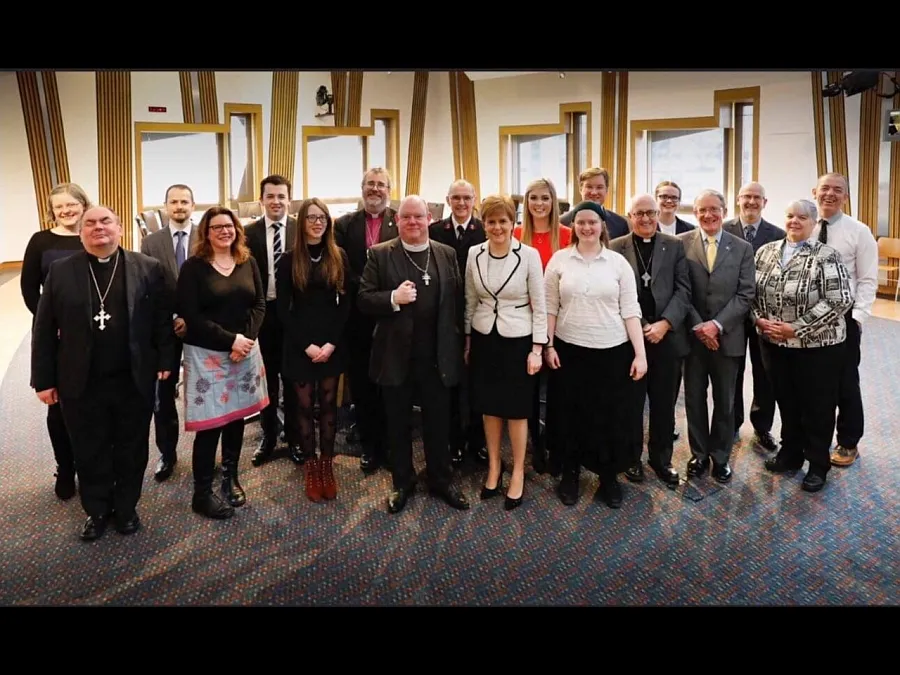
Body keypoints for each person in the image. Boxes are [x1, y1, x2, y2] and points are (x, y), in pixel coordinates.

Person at [31, 206, 175, 541]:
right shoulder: (60, 271)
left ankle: (126, 508)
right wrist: (44, 379)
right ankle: (96, 510)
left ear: (120, 228)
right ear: (80, 232)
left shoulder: (147, 268)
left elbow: (160, 319)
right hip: (80, 380)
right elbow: (43, 328)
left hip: (132, 377)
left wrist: (166, 359)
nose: (99, 228)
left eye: (106, 221)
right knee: (89, 447)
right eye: (90, 223)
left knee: (131, 446)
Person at [357, 195, 469, 514]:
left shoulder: (446, 254)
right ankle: (402, 483)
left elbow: (458, 301)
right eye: (406, 217)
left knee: (438, 423)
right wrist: (393, 297)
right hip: (396, 355)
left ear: (429, 219)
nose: (413, 223)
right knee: (398, 424)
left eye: (418, 217)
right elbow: (363, 299)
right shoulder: (380, 254)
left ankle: (441, 480)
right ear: (397, 221)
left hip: (438, 355)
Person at [544, 201, 647, 508]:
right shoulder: (560, 261)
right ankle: (570, 475)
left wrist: (640, 355)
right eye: (581, 223)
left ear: (603, 226)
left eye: (593, 222)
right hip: (569, 350)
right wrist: (548, 345)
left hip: (611, 351)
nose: (587, 227)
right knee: (570, 416)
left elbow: (631, 311)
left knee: (609, 416)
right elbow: (550, 307)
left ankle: (608, 476)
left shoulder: (617, 263)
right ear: (573, 226)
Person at [753, 199, 854, 492]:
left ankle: (818, 464)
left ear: (812, 223)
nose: (794, 221)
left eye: (802, 217)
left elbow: (839, 300)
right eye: (790, 215)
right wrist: (759, 321)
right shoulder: (766, 251)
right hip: (774, 345)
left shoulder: (827, 255)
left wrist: (795, 329)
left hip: (818, 348)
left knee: (818, 407)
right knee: (787, 401)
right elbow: (751, 293)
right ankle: (791, 454)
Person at [178, 207, 267, 520]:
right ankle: (201, 493)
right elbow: (191, 315)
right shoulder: (193, 268)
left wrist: (247, 339)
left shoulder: (248, 261)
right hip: (208, 355)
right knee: (211, 424)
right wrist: (231, 341)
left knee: (235, 419)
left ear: (236, 229)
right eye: (216, 227)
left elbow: (258, 303)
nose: (224, 232)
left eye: (228, 226)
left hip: (244, 351)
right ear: (206, 232)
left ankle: (230, 478)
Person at [464, 194, 547, 510]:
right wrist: (469, 341)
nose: (497, 227)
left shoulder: (528, 255)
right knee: (489, 407)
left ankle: (518, 474)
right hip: (485, 338)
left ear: (514, 223)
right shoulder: (475, 253)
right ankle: (495, 467)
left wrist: (538, 348)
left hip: (519, 340)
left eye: (503, 221)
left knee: (516, 409)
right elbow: (470, 300)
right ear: (483, 224)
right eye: (491, 221)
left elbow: (540, 305)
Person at [610, 193, 691, 487]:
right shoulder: (615, 247)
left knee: (663, 404)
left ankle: (661, 459)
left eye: (650, 213)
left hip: (667, 338)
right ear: (630, 216)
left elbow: (684, 290)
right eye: (639, 213)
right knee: (630, 404)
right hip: (630, 338)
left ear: (658, 215)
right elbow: (615, 292)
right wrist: (644, 326)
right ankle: (631, 459)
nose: (645, 219)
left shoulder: (675, 245)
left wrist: (664, 324)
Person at [276, 198, 351, 502]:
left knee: (330, 408)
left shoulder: (339, 256)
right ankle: (310, 465)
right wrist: (306, 345)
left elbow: (345, 304)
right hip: (300, 344)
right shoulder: (288, 259)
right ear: (302, 223)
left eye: (322, 218)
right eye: (311, 218)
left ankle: (327, 465)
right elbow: (282, 309)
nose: (318, 223)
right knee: (304, 408)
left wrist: (331, 343)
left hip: (331, 342)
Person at [678, 190, 755, 483]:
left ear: (724, 210)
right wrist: (700, 327)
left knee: (725, 402)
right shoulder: (681, 244)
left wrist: (717, 326)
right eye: (702, 210)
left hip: (728, 338)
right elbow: (680, 290)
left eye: (714, 209)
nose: (708, 215)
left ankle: (721, 457)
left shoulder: (742, 247)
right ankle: (698, 455)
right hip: (693, 339)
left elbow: (746, 293)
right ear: (694, 213)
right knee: (694, 400)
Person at [21, 182, 91, 500]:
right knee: (59, 406)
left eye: (71, 204)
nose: (66, 211)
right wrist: (51, 323)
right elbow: (28, 289)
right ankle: (66, 468)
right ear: (53, 211)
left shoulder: (93, 233)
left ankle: (95, 465)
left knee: (96, 402)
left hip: (96, 333)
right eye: (59, 207)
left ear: (82, 204)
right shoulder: (41, 241)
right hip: (58, 336)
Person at [810, 173, 878, 468]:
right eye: (825, 188)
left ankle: (848, 441)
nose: (830, 194)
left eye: (838, 190)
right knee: (811, 381)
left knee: (845, 383)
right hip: (807, 320)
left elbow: (867, 279)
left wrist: (858, 318)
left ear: (845, 197)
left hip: (843, 318)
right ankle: (813, 438)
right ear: (815, 191)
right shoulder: (804, 224)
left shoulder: (858, 231)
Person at [334, 167, 397, 474]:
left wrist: (383, 295)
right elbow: (341, 267)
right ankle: (370, 446)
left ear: (389, 190)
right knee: (362, 383)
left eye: (381, 185)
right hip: (358, 317)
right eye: (370, 184)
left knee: (391, 383)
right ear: (362, 189)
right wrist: (368, 289)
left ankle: (390, 444)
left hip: (392, 316)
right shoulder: (345, 224)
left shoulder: (400, 221)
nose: (375, 189)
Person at [139, 183, 199, 481]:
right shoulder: (151, 242)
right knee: (163, 395)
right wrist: (174, 316)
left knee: (206, 392)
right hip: (163, 328)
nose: (179, 206)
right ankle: (167, 452)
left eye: (184, 202)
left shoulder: (207, 235)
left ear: (193, 205)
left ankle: (205, 452)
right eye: (173, 202)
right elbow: (149, 289)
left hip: (201, 327)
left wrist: (190, 317)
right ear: (165, 206)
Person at [512, 177, 570, 475]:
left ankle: (558, 445)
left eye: (545, 198)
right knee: (530, 391)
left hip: (562, 325)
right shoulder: (515, 234)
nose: (539, 204)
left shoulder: (568, 235)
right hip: (525, 324)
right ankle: (536, 445)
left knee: (560, 390)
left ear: (553, 201)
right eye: (533, 198)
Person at [428, 178, 488, 465]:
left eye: (467, 197)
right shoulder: (435, 231)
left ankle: (477, 441)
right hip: (446, 316)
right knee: (449, 383)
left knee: (477, 382)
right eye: (456, 198)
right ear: (448, 200)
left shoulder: (486, 231)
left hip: (480, 315)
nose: (461, 203)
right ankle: (454, 442)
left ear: (475, 199)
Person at [723, 181, 784, 450]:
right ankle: (732, 422)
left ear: (764, 202)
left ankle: (762, 426)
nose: (751, 201)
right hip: (732, 315)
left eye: (756, 197)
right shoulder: (723, 230)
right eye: (746, 196)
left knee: (765, 372)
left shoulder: (778, 234)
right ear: (738, 199)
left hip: (764, 318)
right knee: (732, 372)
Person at [244, 175, 301, 466]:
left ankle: (293, 437)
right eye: (271, 196)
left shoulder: (300, 230)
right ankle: (268, 436)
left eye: (281, 196)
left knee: (291, 378)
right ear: (262, 200)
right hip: (262, 315)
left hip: (292, 316)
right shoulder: (247, 233)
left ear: (289, 199)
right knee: (266, 381)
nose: (276, 201)